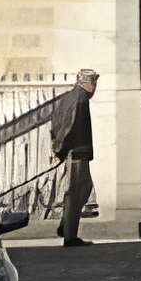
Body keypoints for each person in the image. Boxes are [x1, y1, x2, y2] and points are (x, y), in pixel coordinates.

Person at [50, 67, 98, 246]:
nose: (95, 87)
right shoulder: (81, 98)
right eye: (94, 83)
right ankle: (69, 235)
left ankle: (66, 224)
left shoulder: (68, 97)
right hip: (77, 151)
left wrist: (57, 147)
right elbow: (70, 124)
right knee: (77, 191)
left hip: (74, 151)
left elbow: (55, 122)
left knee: (83, 188)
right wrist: (62, 148)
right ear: (87, 82)